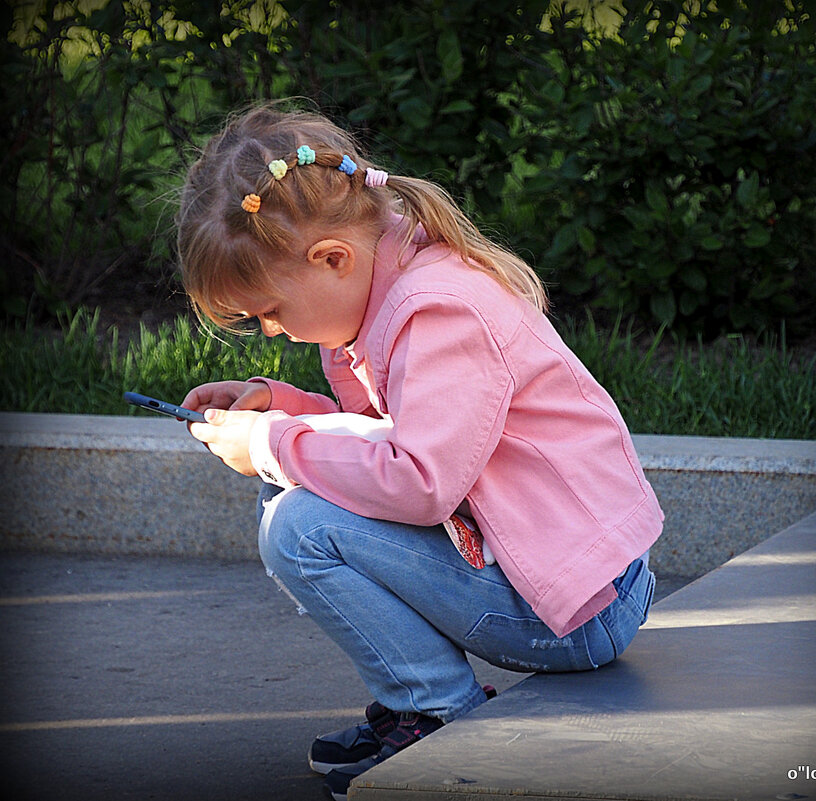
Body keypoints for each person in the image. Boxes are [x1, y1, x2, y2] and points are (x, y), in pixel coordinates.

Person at [179, 105, 663, 801]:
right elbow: (384, 432)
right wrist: (285, 409)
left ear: (332, 259)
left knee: (298, 523)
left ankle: (439, 716)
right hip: (546, 568)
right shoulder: (382, 286)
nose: (272, 330)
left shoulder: (439, 309)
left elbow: (421, 481)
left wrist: (272, 445)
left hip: (580, 606)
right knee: (289, 487)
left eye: (268, 312)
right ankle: (417, 702)